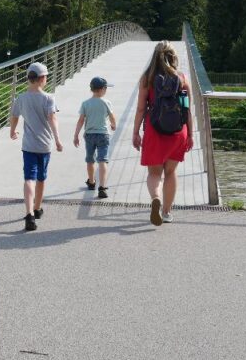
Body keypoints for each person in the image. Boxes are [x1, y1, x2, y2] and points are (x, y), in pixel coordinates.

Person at [131, 41, 194, 226]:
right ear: (174, 57)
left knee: (154, 173)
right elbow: (187, 110)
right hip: (177, 131)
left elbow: (141, 109)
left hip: (154, 129)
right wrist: (190, 134)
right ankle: (166, 212)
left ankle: (155, 199)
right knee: (171, 171)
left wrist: (135, 132)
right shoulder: (182, 78)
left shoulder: (147, 79)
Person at [10, 61, 63, 231]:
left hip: (28, 146)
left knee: (29, 178)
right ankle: (37, 208)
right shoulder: (48, 98)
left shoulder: (21, 98)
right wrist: (57, 139)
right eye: (46, 76)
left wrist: (13, 131)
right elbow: (53, 119)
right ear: (42, 79)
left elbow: (14, 116)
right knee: (41, 178)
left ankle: (29, 214)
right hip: (44, 146)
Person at [73, 76, 117, 198]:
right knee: (103, 160)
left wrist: (76, 135)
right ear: (102, 89)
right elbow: (112, 117)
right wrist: (113, 125)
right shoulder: (106, 102)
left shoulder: (85, 103)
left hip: (89, 135)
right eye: (106, 88)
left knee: (90, 160)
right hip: (103, 135)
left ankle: (92, 182)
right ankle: (102, 187)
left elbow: (81, 121)